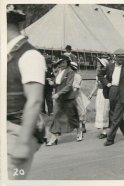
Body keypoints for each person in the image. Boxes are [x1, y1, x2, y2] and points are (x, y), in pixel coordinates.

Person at [7, 5, 46, 179]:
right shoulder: (6, 53)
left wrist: (23, 142)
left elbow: (35, 100)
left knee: (12, 178)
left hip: (17, 130)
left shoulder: (29, 55)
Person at [98, 49, 124, 146]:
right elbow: (100, 75)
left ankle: (110, 139)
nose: (121, 59)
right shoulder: (109, 66)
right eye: (119, 57)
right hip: (112, 92)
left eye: (123, 57)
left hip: (123, 94)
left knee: (115, 117)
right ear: (115, 57)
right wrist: (107, 83)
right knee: (115, 115)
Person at [47, 55, 79, 146]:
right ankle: (54, 137)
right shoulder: (59, 71)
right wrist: (52, 83)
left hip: (67, 98)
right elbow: (57, 84)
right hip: (59, 98)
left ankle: (79, 130)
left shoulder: (70, 72)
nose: (61, 64)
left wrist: (58, 93)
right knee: (56, 116)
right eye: (60, 63)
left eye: (63, 62)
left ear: (67, 62)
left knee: (71, 118)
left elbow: (69, 86)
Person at [88, 58, 110, 139]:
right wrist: (91, 94)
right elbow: (96, 85)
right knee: (100, 110)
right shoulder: (98, 75)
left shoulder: (107, 75)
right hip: (99, 94)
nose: (98, 66)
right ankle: (102, 127)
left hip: (106, 94)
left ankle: (104, 132)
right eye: (98, 64)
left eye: (100, 64)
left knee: (105, 112)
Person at [70, 62, 90, 141]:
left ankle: (81, 130)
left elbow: (76, 87)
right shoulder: (68, 76)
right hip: (70, 96)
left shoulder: (77, 76)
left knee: (80, 112)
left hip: (76, 96)